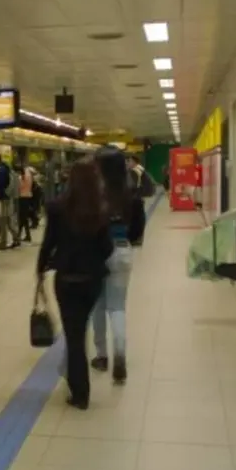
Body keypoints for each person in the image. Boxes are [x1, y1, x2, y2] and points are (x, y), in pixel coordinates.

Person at [36, 159, 113, 410]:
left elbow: (49, 243)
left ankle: (80, 392)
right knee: (81, 329)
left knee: (75, 336)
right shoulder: (100, 209)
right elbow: (107, 248)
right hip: (92, 281)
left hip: (67, 280)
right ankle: (78, 385)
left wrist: (40, 268)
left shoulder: (57, 208)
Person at [91, 147, 145, 384]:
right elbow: (138, 228)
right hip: (122, 250)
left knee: (98, 306)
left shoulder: (93, 193)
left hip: (96, 253)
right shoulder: (130, 193)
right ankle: (120, 355)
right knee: (118, 307)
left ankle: (101, 355)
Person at [126, 156, 148, 246]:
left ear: (134, 162)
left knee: (136, 218)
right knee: (140, 217)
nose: (128, 163)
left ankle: (136, 238)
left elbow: (132, 185)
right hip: (139, 197)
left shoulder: (135, 171)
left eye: (129, 161)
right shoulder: (140, 169)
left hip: (135, 197)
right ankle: (138, 238)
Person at [0, 154, 12, 249]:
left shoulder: (1, 171)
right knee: (3, 220)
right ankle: (3, 241)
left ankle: (3, 243)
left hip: (1, 198)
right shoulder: (4, 169)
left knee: (2, 221)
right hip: (3, 197)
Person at [18, 163, 34, 242]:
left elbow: (19, 187)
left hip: (22, 198)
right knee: (24, 217)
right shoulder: (29, 175)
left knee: (22, 217)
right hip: (28, 197)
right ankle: (25, 235)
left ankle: (19, 235)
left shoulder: (21, 178)